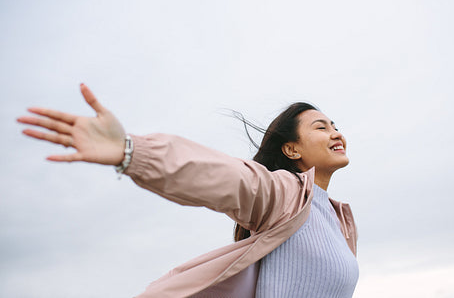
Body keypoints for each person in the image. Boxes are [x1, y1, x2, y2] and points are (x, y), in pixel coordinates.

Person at [17, 83, 359, 298]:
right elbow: (225, 177)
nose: (335, 133)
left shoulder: (339, 222)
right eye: (321, 127)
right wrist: (132, 152)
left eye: (336, 126)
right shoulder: (285, 196)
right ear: (291, 150)